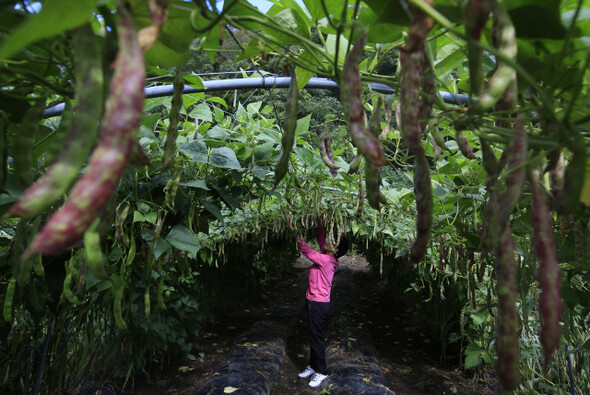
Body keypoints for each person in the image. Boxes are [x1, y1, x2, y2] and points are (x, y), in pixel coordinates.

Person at [294, 225, 348, 389]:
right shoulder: (328, 256)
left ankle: (322, 371)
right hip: (313, 301)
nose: (328, 242)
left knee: (316, 337)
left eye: (333, 242)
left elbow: (307, 251)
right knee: (312, 335)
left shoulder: (326, 260)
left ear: (336, 249)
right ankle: (312, 366)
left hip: (318, 304)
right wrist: (319, 222)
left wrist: (296, 232)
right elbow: (321, 240)